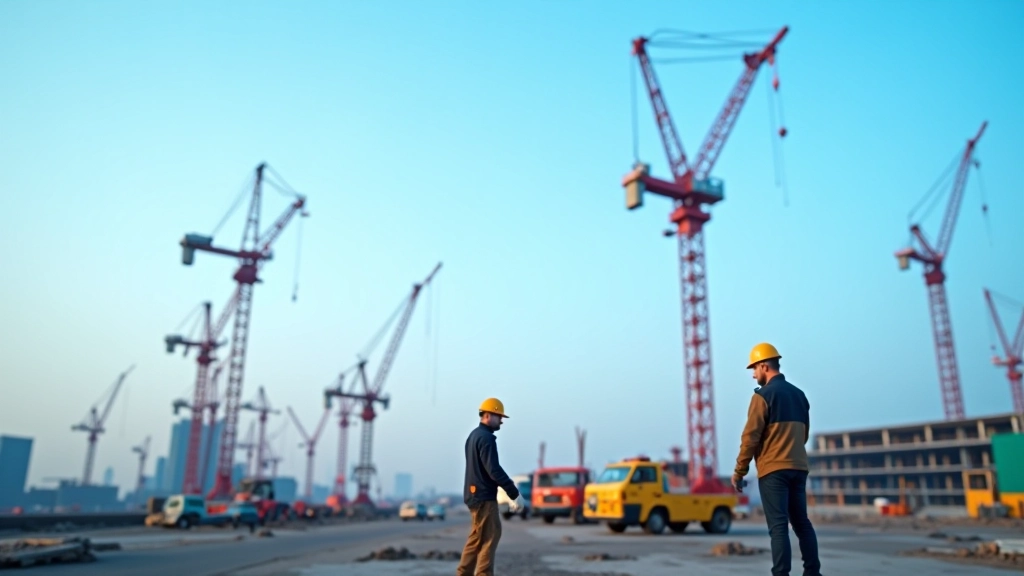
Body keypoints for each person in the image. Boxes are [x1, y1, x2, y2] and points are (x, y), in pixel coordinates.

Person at [733, 343, 822, 576]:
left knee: (779, 527)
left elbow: (750, 438)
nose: (753, 375)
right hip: (799, 468)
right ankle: (813, 572)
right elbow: (804, 434)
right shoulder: (800, 395)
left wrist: (739, 471)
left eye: (754, 369)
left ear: (764, 365)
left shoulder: (763, 397)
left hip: (774, 471)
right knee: (802, 523)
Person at [457, 397, 525, 576]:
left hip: (475, 495)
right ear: (487, 415)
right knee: (486, 538)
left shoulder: (473, 436)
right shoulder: (486, 439)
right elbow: (493, 470)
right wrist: (514, 493)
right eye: (498, 416)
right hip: (483, 498)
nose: (501, 421)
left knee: (483, 537)